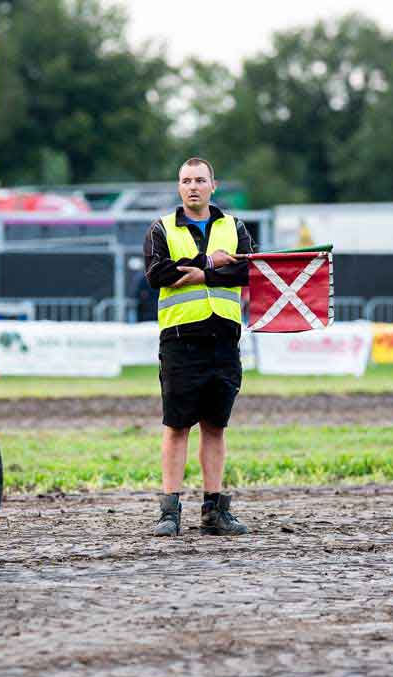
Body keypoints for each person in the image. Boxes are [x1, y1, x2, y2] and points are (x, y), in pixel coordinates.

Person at [144, 157, 254, 537]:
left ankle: (214, 510)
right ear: (179, 187)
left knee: (215, 427)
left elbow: (246, 270)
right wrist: (209, 260)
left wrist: (200, 272)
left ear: (213, 185)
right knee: (176, 427)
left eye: (200, 180)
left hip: (224, 339)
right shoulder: (162, 229)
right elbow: (158, 274)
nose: (193, 186)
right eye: (186, 180)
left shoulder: (234, 226)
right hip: (180, 342)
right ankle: (169, 512)